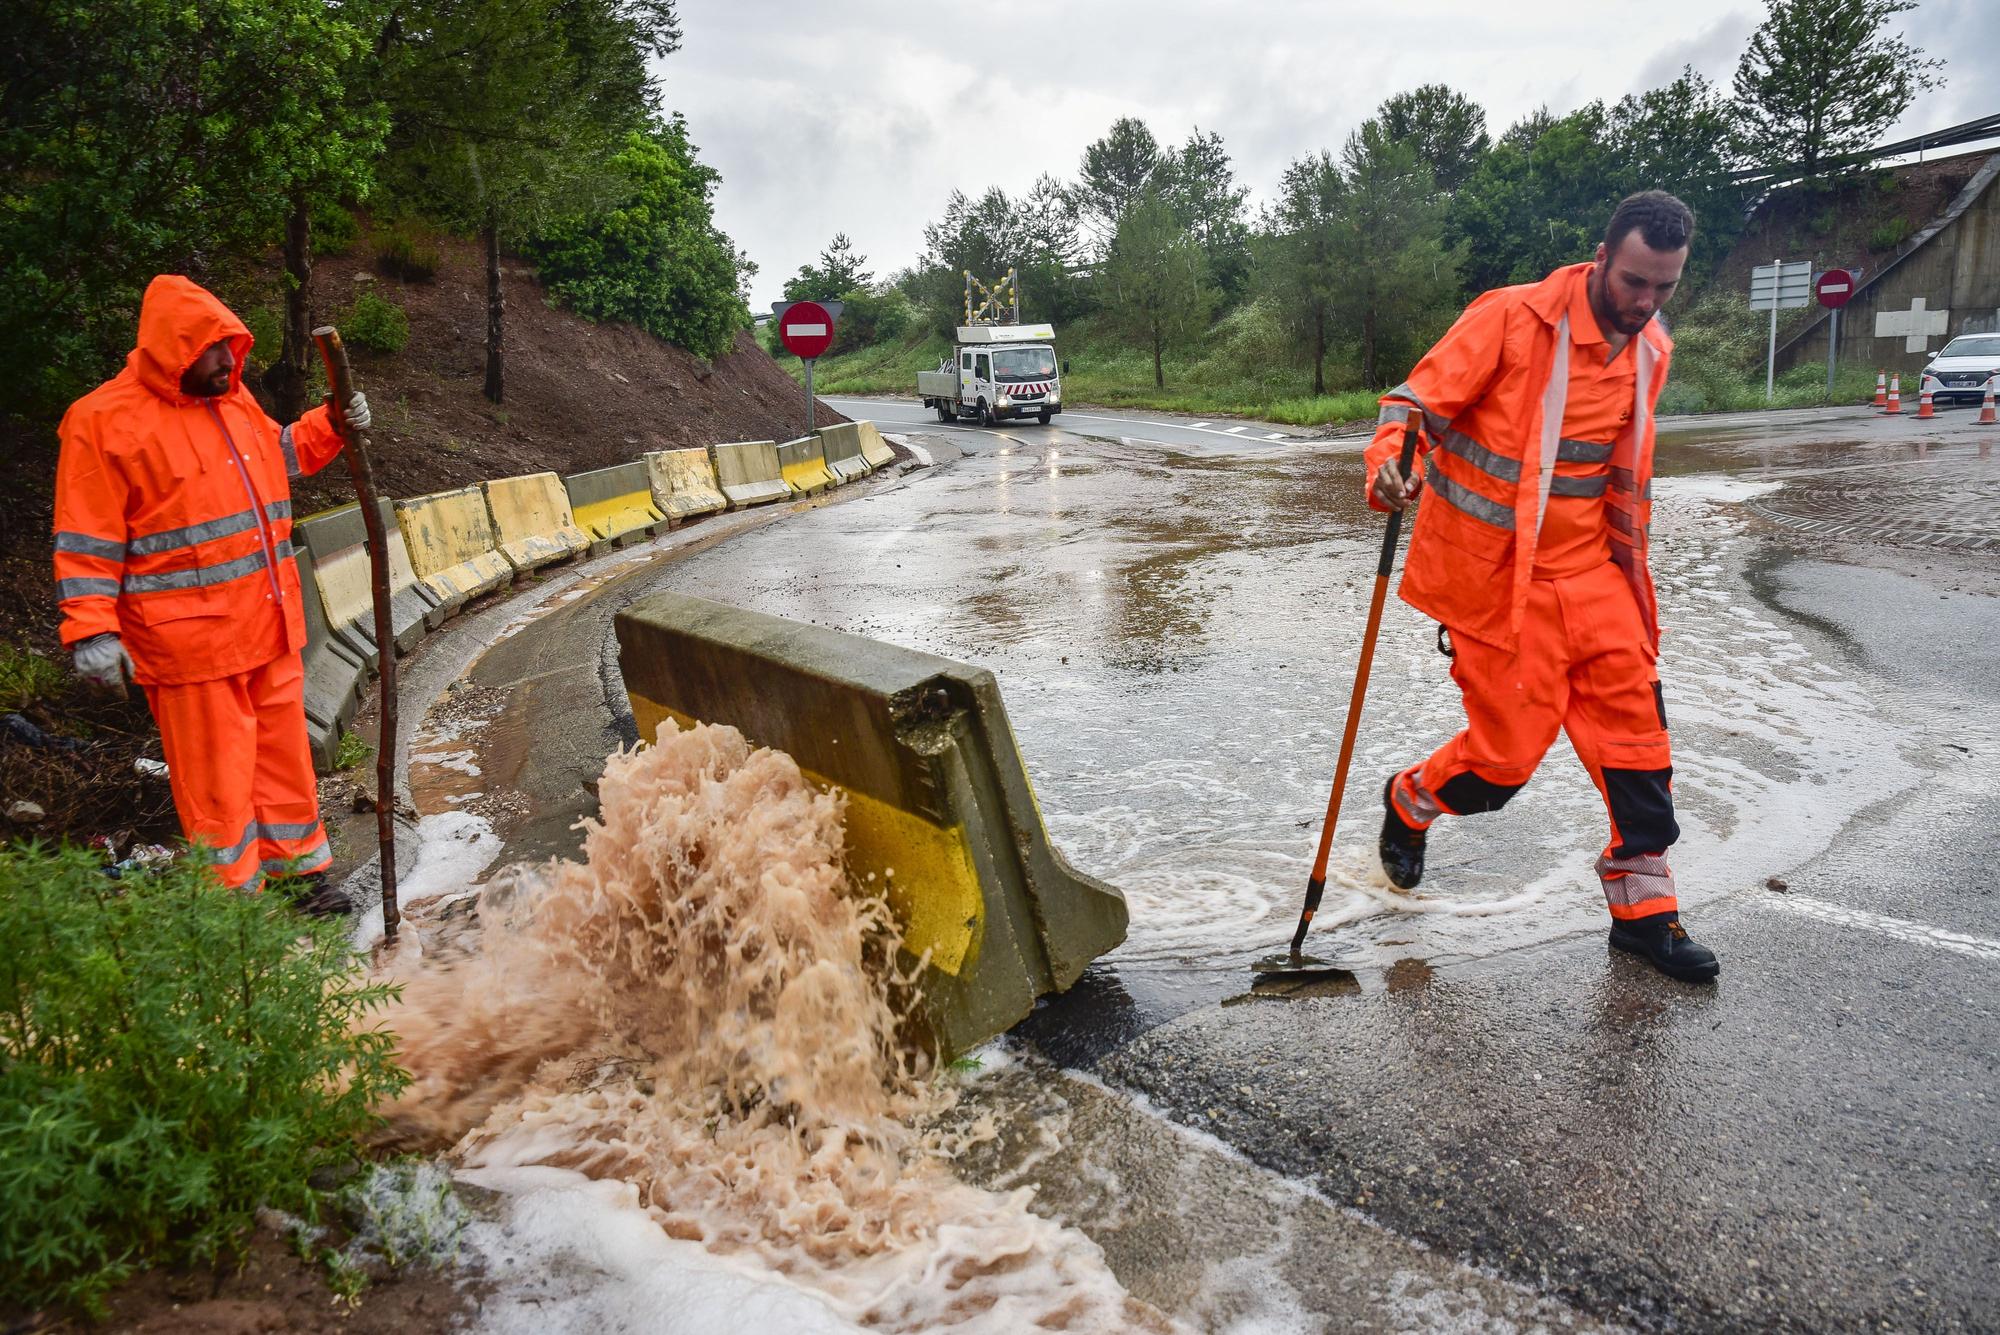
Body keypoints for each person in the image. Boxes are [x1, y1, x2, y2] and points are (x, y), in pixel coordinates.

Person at [1364, 191, 1718, 983]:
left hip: (1598, 581)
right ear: (1600, 256)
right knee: (1500, 766)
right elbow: (1411, 407)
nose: (1645, 302)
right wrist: (1392, 465)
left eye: (1664, 287)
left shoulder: (1650, 347)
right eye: (1633, 281)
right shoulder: (1511, 319)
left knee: (1641, 758)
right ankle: (1410, 800)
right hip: (1501, 589)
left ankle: (1645, 919)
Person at [54, 274, 369, 913]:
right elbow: (86, 538)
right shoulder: (102, 423)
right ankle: (234, 915)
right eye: (213, 348)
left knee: (284, 766)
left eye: (231, 344)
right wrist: (91, 629)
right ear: (174, 350)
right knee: (217, 785)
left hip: (270, 626)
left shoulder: (230, 403)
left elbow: (277, 457)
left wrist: (332, 422)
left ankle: (299, 883)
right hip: (190, 647)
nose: (228, 360)